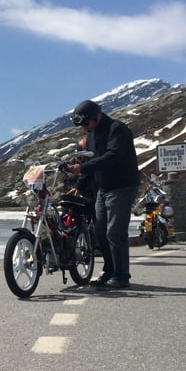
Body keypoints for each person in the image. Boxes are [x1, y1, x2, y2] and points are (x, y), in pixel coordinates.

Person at [67, 99, 140, 289]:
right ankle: (109, 271)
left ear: (96, 116)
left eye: (85, 123)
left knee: (115, 232)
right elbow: (92, 165)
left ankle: (121, 275)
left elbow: (112, 157)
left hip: (122, 186)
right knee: (100, 232)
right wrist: (80, 185)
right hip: (103, 188)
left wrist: (82, 167)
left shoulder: (117, 129)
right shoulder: (91, 135)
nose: (84, 128)